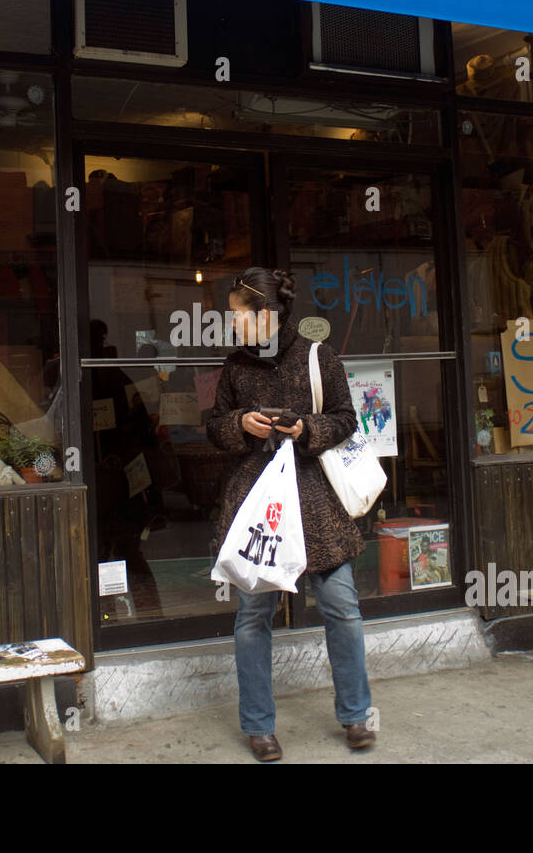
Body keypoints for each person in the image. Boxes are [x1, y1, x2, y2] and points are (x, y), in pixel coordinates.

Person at [205, 267, 374, 762]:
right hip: (258, 505)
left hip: (316, 502)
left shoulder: (319, 356)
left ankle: (357, 715)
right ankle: (259, 727)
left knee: (342, 608)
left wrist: (306, 429)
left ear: (267, 315)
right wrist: (242, 425)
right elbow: (215, 428)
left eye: (239, 315)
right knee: (253, 616)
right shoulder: (235, 368)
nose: (232, 324)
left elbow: (346, 418)